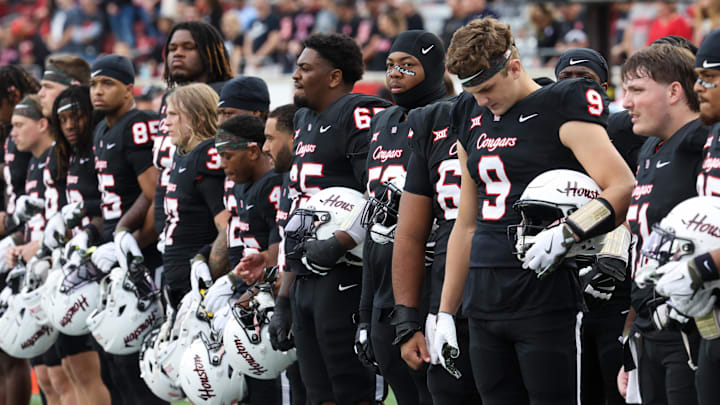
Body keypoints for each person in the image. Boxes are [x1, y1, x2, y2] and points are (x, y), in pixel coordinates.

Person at [434, 18, 634, 403]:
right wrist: (445, 311)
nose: (481, 100)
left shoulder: (561, 102)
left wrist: (569, 231)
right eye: (472, 90)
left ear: (514, 66)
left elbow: (623, 187)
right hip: (482, 296)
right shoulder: (467, 113)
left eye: (488, 88)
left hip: (546, 293)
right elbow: (465, 225)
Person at [269, 33, 392, 404]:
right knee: (316, 394)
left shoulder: (360, 112)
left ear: (335, 76)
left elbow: (383, 195)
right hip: (306, 276)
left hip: (346, 274)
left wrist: (340, 241)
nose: (296, 75)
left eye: (306, 68)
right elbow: (299, 216)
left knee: (350, 391)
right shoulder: (305, 118)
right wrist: (285, 298)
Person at [357, 30, 447, 405]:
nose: (394, 73)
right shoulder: (383, 120)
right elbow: (372, 220)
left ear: (433, 68)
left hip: (428, 279)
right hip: (381, 284)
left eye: (408, 66)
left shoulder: (448, 116)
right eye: (391, 65)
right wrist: (364, 315)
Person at [71, 54, 165, 405]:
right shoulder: (101, 128)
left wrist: (134, 246)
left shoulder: (137, 124)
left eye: (107, 83)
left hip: (140, 255)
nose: (97, 90)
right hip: (113, 251)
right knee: (110, 365)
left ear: (129, 89)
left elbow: (156, 196)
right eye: (94, 84)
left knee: (134, 364)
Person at [617, 43, 706, 405]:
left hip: (692, 326)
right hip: (648, 328)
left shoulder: (701, 142)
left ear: (674, 91)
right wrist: (629, 336)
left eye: (636, 90)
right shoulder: (652, 146)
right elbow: (646, 249)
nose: (625, 102)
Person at [392, 88, 482, 405]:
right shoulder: (435, 122)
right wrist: (407, 321)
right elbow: (411, 233)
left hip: (518, 295)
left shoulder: (536, 112)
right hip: (446, 298)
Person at [554, 48, 631, 405]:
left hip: (614, 278)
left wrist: (615, 251)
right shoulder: (546, 133)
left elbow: (638, 196)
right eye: (564, 79)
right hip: (560, 276)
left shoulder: (625, 129)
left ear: (604, 85)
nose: (572, 86)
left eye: (583, 78)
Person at [155, 21, 233, 278]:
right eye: (172, 48)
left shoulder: (226, 98)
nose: (177, 53)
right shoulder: (172, 101)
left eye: (188, 47)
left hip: (200, 239)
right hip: (170, 235)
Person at [215, 113, 284, 404]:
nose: (223, 164)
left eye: (228, 156)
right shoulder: (244, 187)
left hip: (271, 299)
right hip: (252, 296)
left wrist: (254, 293)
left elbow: (279, 254)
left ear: (253, 151)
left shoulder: (273, 185)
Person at [7, 95, 71, 404]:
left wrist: (42, 244)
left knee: (65, 374)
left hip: (59, 268)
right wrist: (19, 244)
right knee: (47, 375)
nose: (13, 133)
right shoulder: (34, 161)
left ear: (42, 123)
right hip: (36, 272)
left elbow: (71, 213)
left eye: (19, 125)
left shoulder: (58, 156)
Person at [162, 83, 228, 309]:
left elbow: (228, 226)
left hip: (199, 284)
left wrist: (206, 261)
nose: (166, 122)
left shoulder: (205, 155)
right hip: (180, 281)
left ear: (198, 118)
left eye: (173, 115)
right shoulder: (184, 155)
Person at [0, 64, 39, 405]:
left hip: (23, 245)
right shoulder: (8, 132)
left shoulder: (31, 133)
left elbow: (38, 194)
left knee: (11, 349)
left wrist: (13, 227)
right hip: (12, 240)